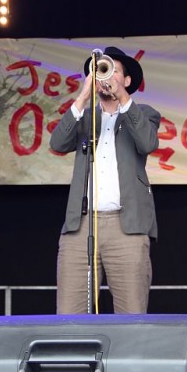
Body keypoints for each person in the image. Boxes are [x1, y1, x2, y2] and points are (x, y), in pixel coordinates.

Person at [50, 47, 160, 314]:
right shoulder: (85, 117)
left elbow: (147, 142)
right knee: (70, 316)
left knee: (131, 315)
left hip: (126, 226)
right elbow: (57, 143)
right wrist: (84, 95)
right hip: (81, 226)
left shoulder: (143, 112)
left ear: (128, 80)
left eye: (113, 71)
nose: (106, 77)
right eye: (100, 71)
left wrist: (121, 96)